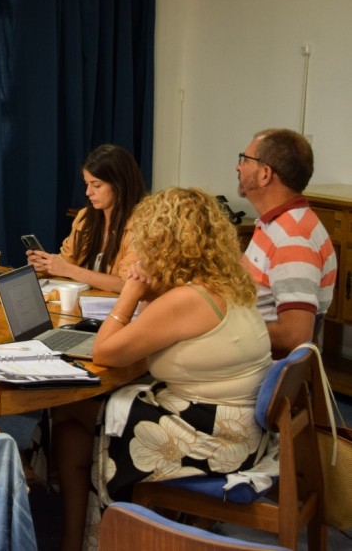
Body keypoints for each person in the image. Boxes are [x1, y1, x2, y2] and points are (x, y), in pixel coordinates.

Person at [52, 188, 273, 551]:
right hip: (237, 423)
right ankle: (81, 533)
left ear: (163, 241)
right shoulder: (222, 283)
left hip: (217, 440)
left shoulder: (188, 299)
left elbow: (104, 351)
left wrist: (131, 292)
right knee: (72, 432)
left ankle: (86, 530)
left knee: (67, 412)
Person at [237, 128, 336, 356]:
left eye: (244, 159)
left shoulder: (293, 239)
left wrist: (228, 329)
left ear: (265, 174)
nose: (238, 166)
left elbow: (295, 337)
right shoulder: (277, 225)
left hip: (254, 366)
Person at [26, 143, 146, 293]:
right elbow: (67, 261)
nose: (88, 192)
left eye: (96, 185)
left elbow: (127, 284)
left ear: (119, 184)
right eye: (86, 184)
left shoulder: (143, 225)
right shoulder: (85, 218)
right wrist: (47, 265)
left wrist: (68, 270)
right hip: (85, 304)